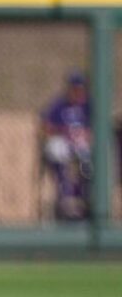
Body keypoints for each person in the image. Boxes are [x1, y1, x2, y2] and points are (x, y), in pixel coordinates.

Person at [39, 72, 94, 220]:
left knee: (88, 158)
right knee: (55, 147)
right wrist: (63, 131)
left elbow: (99, 126)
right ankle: (64, 188)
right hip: (64, 141)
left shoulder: (89, 105)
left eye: (80, 89)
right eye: (74, 89)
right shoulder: (60, 104)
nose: (77, 93)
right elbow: (45, 125)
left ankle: (86, 195)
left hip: (83, 144)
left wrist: (86, 134)